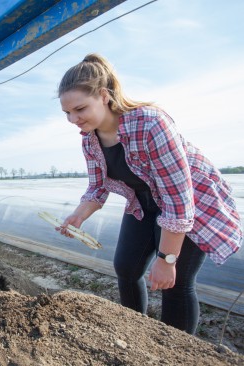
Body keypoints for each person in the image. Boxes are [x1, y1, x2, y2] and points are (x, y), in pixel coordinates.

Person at [56, 53, 242, 335]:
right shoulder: (89, 138)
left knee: (175, 282)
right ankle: (136, 337)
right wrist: (77, 216)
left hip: (190, 202)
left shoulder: (150, 123)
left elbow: (178, 200)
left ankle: (177, 351)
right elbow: (97, 187)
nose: (72, 119)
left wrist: (167, 259)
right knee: (126, 267)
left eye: (79, 109)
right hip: (144, 202)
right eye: (67, 112)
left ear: (104, 96)